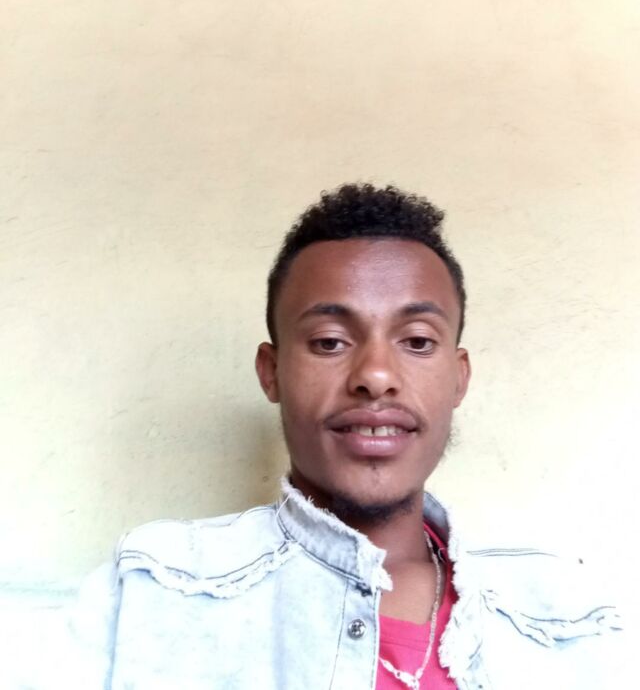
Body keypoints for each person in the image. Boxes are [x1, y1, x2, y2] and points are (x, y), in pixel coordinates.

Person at [19, 183, 623, 689]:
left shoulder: (571, 617)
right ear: (272, 371)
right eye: (330, 342)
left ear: (459, 377)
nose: (376, 376)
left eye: (417, 341)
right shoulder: (151, 593)